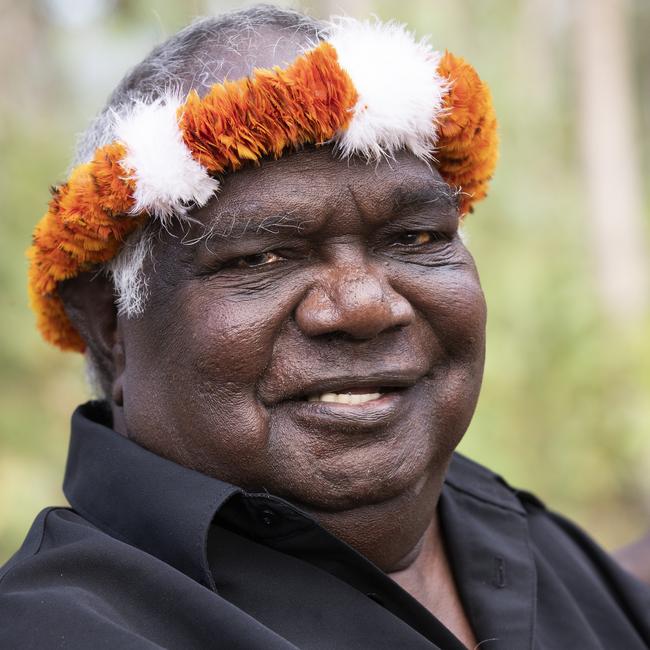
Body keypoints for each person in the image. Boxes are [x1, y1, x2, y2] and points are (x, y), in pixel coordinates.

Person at [1, 6, 649, 649]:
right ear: (112, 323)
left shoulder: (522, 539)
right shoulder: (53, 631)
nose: (367, 305)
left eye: (416, 236)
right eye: (262, 257)